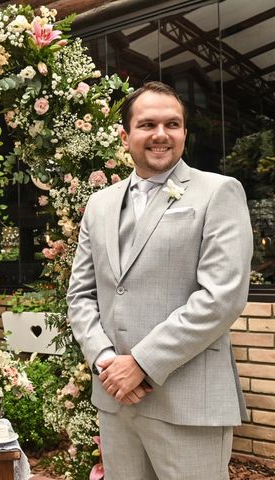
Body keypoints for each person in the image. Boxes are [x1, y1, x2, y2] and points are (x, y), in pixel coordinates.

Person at [67, 81, 252, 479]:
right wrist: (105, 361)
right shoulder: (99, 205)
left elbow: (222, 297)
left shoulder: (218, 192)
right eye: (148, 124)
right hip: (117, 400)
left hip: (188, 403)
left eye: (173, 124)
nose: (161, 135)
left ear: (184, 132)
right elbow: (81, 295)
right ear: (125, 135)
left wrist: (142, 363)